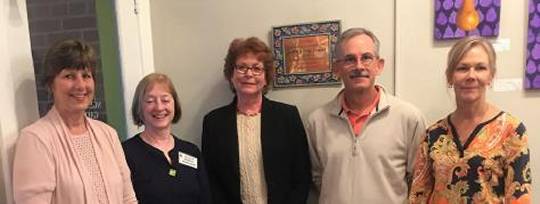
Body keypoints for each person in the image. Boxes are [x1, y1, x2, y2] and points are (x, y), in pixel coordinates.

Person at [305, 27, 426, 203]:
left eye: (367, 58)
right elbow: (317, 179)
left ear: (379, 65)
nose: (359, 66)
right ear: (337, 68)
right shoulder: (317, 121)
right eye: (349, 59)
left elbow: (418, 181)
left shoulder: (409, 118)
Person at [409, 36, 532, 203]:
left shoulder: (511, 131)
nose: (471, 76)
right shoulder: (433, 135)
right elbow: (418, 196)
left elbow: (519, 198)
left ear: (491, 76)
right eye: (462, 68)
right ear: (450, 76)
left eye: (480, 68)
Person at [12, 39, 137, 204]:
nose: (80, 85)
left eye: (86, 76)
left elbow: (128, 198)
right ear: (51, 84)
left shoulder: (108, 134)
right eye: (69, 76)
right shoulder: (36, 139)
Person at [202, 37, 311, 204]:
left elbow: (302, 174)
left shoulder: (287, 116)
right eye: (241, 67)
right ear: (231, 75)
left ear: (266, 77)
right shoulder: (213, 122)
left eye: (257, 68)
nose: (249, 74)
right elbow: (211, 178)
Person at [123, 73, 211, 204]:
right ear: (139, 108)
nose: (159, 107)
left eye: (165, 100)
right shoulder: (125, 153)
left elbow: (206, 199)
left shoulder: (191, 151)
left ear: (174, 104)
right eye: (150, 101)